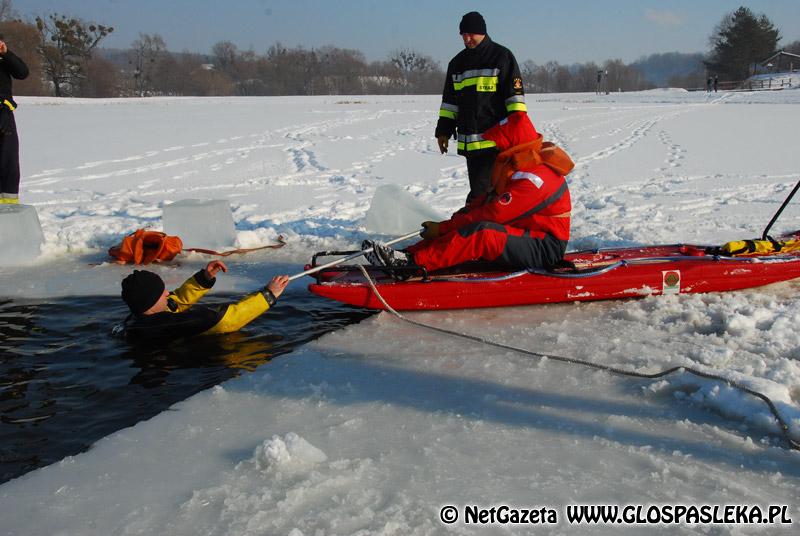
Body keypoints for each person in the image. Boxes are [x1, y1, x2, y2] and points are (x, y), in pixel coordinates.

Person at [365, 112, 572, 276]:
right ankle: (409, 254)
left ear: (513, 144)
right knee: (464, 222)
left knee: (481, 234)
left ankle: (413, 265)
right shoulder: (522, 167)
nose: (496, 147)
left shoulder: (534, 179)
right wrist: (455, 220)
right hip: (526, 232)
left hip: (545, 248)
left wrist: (444, 228)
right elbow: (488, 200)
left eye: (500, 143)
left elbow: (493, 214)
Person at [435, 11, 526, 204]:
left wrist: (518, 134)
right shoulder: (457, 63)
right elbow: (450, 103)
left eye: (471, 34)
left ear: (482, 32)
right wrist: (443, 130)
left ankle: (481, 227)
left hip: (497, 143)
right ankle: (480, 226)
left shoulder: (502, 56)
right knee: (482, 192)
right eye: (463, 35)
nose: (467, 39)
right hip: (471, 143)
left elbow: (515, 102)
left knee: (487, 194)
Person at [117, 260, 290, 341]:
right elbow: (227, 322)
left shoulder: (144, 314)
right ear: (150, 300)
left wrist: (204, 278)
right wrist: (268, 295)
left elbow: (176, 302)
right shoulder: (163, 324)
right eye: (162, 292)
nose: (168, 293)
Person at [0, 36, 29, 204]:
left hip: (4, 114)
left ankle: (9, 208)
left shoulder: (4, 59)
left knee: (9, 163)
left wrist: (7, 54)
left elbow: (22, 73)